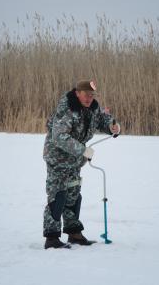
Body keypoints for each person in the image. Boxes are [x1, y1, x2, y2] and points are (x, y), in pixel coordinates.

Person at [42, 80, 120, 249]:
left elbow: (102, 119)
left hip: (75, 161)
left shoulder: (91, 108)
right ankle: (52, 237)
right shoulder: (67, 110)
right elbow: (59, 137)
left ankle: (74, 233)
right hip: (58, 159)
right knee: (58, 196)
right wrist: (82, 150)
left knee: (73, 195)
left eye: (92, 95)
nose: (89, 98)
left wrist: (113, 127)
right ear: (77, 93)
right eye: (86, 95)